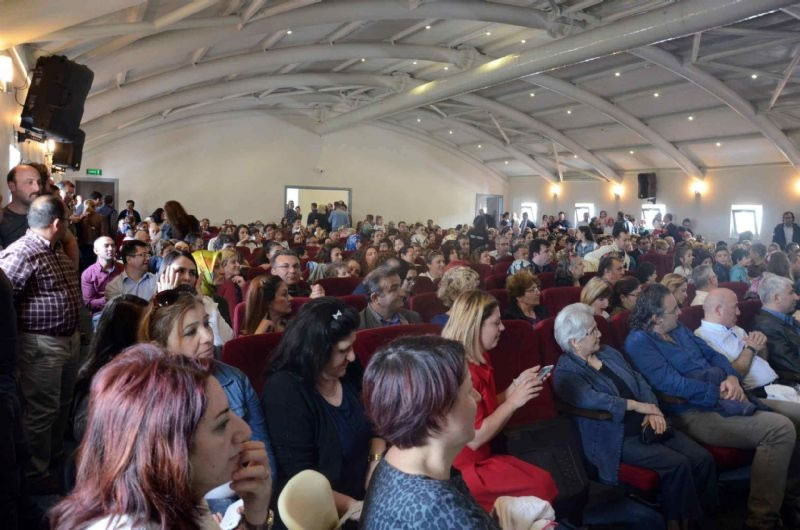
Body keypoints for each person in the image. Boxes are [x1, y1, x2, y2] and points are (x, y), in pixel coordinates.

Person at [625, 283, 800, 530]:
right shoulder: (639, 342)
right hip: (691, 411)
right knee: (779, 430)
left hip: (725, 396)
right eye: (674, 310)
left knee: (797, 416)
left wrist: (731, 377)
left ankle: (787, 497)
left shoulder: (678, 328)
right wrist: (717, 390)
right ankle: (762, 519)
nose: (681, 312)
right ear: (655, 317)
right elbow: (671, 384)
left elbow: (714, 356)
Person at [49, 345, 273, 530]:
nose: (245, 430)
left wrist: (255, 514)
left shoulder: (178, 497)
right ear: (167, 449)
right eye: (222, 423)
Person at [553, 303, 715, 529]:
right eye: (592, 331)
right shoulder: (566, 371)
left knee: (702, 458)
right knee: (677, 464)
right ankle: (676, 522)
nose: (599, 334)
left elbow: (638, 380)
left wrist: (652, 408)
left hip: (647, 422)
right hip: (616, 435)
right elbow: (594, 400)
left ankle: (702, 518)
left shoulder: (608, 352)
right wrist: (639, 407)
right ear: (574, 342)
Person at [262, 298, 386, 524]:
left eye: (352, 346)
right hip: (323, 511)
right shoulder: (285, 391)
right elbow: (302, 479)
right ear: (315, 352)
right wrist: (356, 507)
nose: (352, 356)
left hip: (368, 493)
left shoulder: (348, 369)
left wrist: (374, 463)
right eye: (343, 350)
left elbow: (377, 424)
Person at [360, 335, 501, 529]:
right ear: (437, 412)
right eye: (469, 390)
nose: (477, 397)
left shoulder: (395, 459)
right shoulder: (444, 514)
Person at [441, 290, 558, 511]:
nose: (502, 328)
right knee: (542, 486)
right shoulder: (461, 370)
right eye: (496, 323)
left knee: (544, 480)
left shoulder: (479, 355)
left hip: (483, 455)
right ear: (474, 326)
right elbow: (475, 438)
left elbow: (484, 406)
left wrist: (513, 388)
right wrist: (513, 401)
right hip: (462, 468)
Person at [139, 288, 274, 477]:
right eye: (190, 332)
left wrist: (256, 488)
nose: (208, 337)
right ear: (160, 348)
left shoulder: (235, 380)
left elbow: (264, 458)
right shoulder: (147, 400)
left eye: (206, 324)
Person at [0, 195, 81, 491]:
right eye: (67, 221)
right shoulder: (23, 252)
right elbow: (4, 302)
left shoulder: (54, 250)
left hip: (66, 341)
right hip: (41, 345)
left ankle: (53, 458)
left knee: (61, 405)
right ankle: (35, 473)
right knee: (41, 410)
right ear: (57, 223)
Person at [696, 288, 800, 428]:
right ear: (718, 310)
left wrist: (761, 346)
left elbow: (762, 362)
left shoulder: (736, 329)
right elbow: (733, 375)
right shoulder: (702, 338)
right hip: (758, 394)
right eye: (735, 307)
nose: (739, 312)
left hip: (778, 383)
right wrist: (750, 348)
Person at [70, 295, 148, 441]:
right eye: (146, 325)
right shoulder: (104, 376)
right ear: (128, 333)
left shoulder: (139, 365)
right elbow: (83, 430)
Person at [155, 251, 234, 348]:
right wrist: (166, 299)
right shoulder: (152, 308)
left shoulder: (205, 302)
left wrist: (202, 304)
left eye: (192, 273)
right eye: (180, 271)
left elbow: (226, 341)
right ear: (164, 274)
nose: (187, 278)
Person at [753, 274, 800, 376]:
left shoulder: (784, 318)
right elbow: (794, 366)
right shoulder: (767, 327)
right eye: (791, 293)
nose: (797, 297)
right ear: (777, 298)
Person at [80, 236, 123, 322]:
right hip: (102, 313)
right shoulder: (88, 274)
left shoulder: (123, 269)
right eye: (106, 246)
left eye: (113, 245)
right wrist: (110, 299)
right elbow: (89, 303)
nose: (111, 248)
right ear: (96, 251)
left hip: (123, 310)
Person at [1, 164, 41, 248]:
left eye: (39, 182)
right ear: (12, 186)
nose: (37, 188)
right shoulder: (2, 220)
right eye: (30, 182)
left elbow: (67, 240)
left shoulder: (46, 214)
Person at [76, 199, 110, 271]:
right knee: (96, 267)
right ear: (95, 207)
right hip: (96, 245)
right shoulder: (101, 217)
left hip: (82, 246)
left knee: (85, 267)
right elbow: (104, 234)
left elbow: (77, 233)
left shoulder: (80, 218)